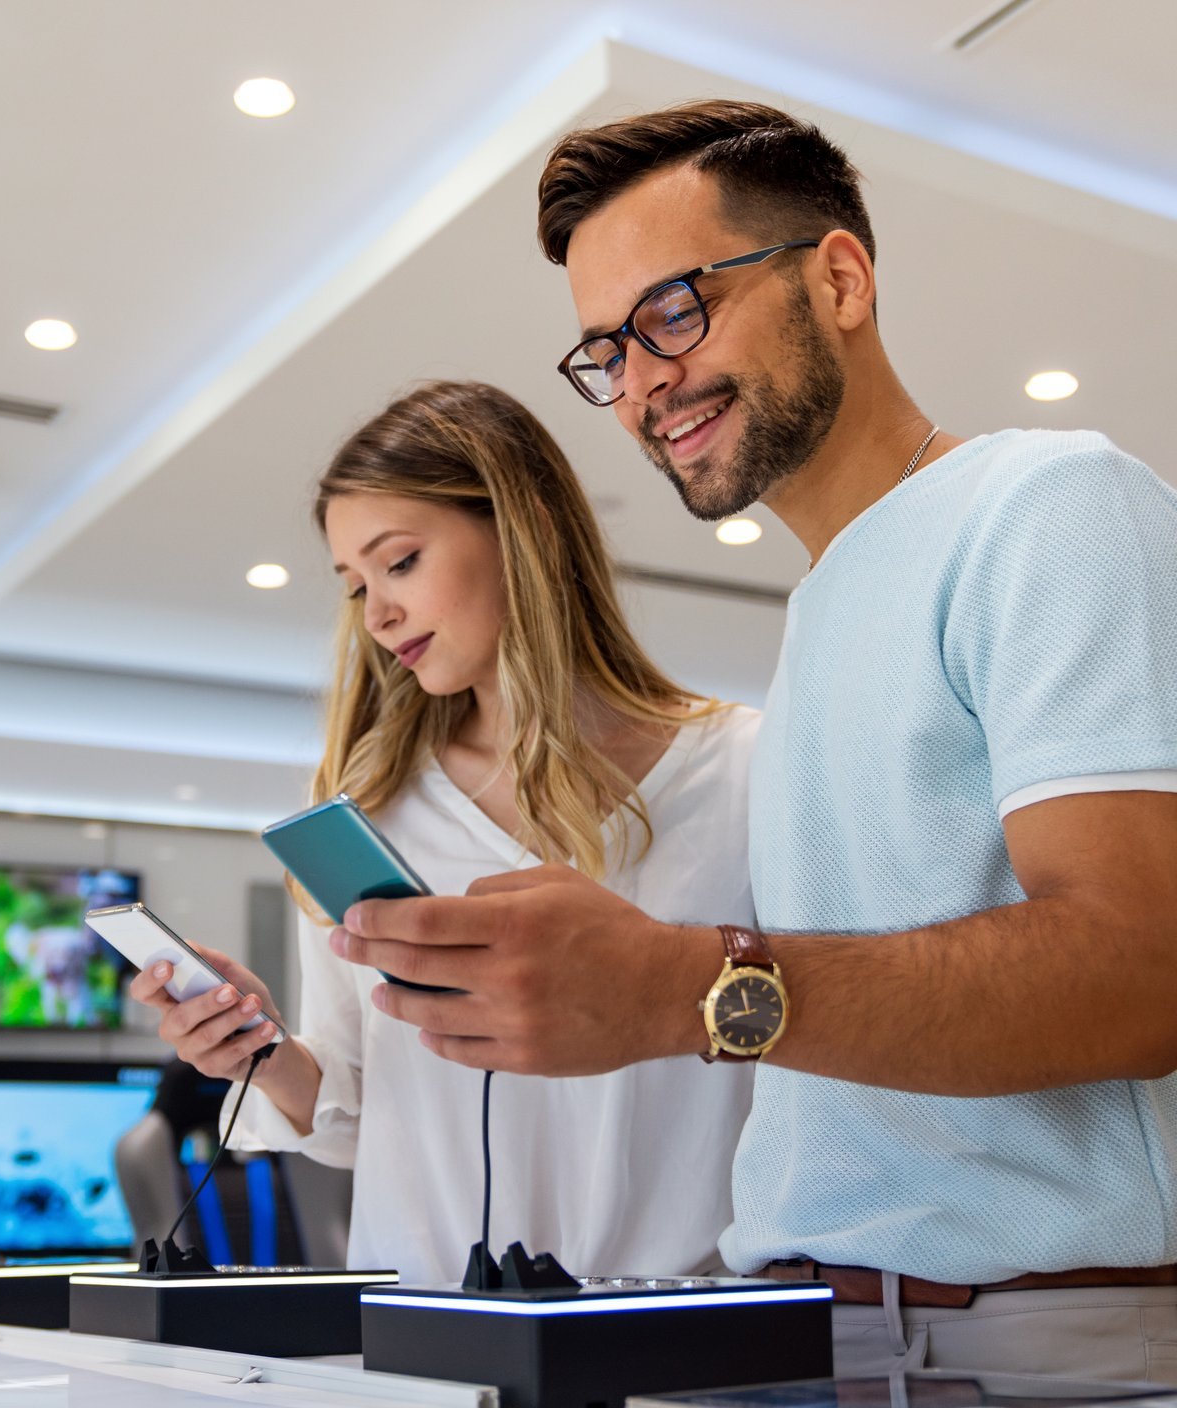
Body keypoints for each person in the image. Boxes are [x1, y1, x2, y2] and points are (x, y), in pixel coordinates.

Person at [327, 104, 1177, 1380]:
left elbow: (1144, 963)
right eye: (605, 351)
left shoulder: (1046, 505)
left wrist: (679, 986)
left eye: (673, 312)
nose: (642, 381)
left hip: (1014, 1342)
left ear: (838, 277)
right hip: (817, 1329)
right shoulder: (824, 606)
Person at [131, 379, 758, 1284]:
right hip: (429, 1327)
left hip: (685, 1327)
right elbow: (345, 1112)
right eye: (355, 587)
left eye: (400, 562)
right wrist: (260, 1052)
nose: (377, 613)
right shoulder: (370, 812)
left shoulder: (741, 770)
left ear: (522, 525)